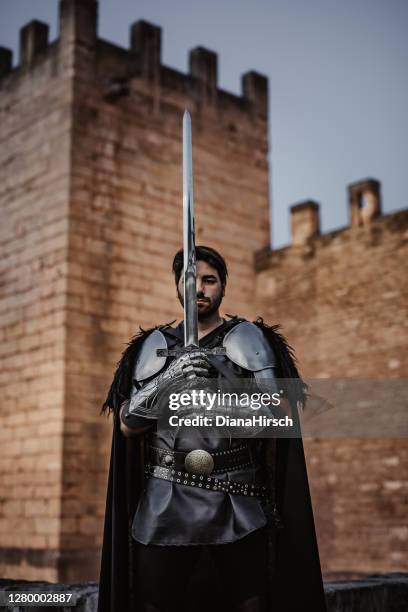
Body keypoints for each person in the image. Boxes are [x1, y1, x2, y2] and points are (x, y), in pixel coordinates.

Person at [97, 246, 326, 612]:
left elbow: (277, 413)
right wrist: (168, 380)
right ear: (176, 286)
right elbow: (127, 425)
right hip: (163, 499)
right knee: (154, 603)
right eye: (190, 281)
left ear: (223, 286)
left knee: (250, 604)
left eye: (209, 280)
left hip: (236, 496)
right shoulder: (152, 346)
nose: (199, 290)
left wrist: (216, 395)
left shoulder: (249, 339)